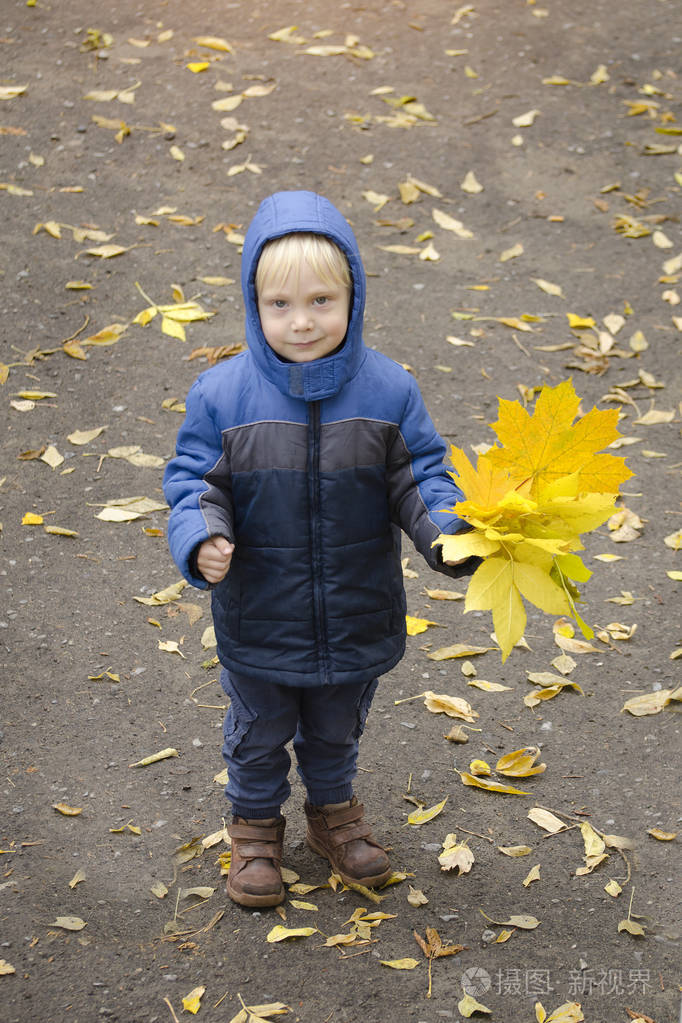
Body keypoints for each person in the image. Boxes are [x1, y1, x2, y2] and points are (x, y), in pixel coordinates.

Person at [163, 190, 478, 908]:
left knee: (337, 727)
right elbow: (193, 481)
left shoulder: (389, 390)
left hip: (354, 609)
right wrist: (202, 535)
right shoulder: (222, 395)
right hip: (259, 612)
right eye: (280, 305)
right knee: (259, 729)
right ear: (253, 304)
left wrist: (446, 534)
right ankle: (253, 828)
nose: (301, 321)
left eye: (320, 300)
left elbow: (420, 475)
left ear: (353, 296)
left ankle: (333, 815)